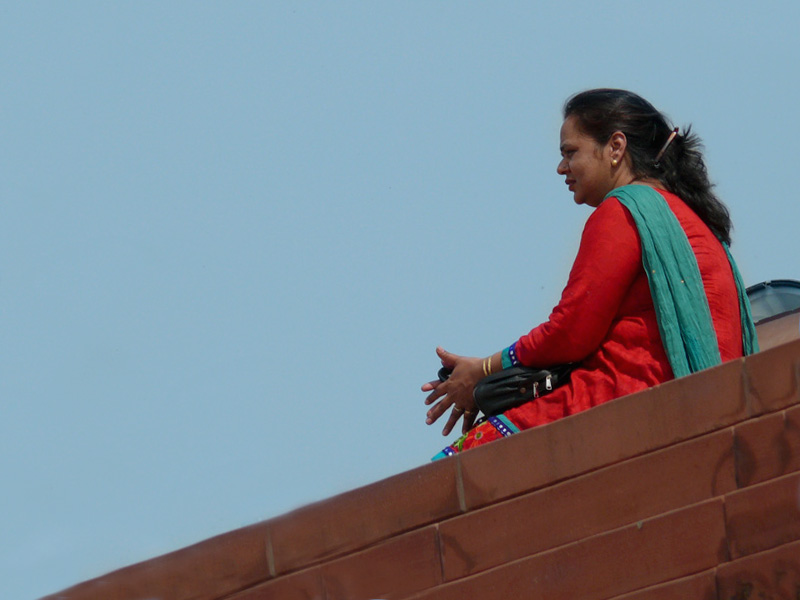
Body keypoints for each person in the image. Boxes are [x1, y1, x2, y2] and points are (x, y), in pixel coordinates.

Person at [422, 88, 758, 459]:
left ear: (615, 147)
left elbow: (570, 332)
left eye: (570, 153)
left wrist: (482, 370)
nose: (561, 168)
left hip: (621, 403)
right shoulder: (693, 221)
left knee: (448, 471)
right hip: (701, 407)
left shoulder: (623, 212)